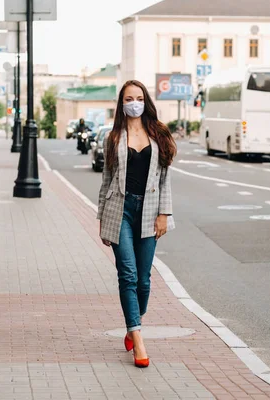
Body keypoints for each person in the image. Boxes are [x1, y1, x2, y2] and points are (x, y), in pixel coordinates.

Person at [97, 80, 177, 368]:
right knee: (127, 274)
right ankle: (137, 336)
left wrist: (164, 214)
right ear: (122, 103)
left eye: (139, 97)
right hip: (120, 211)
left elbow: (165, 177)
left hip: (150, 210)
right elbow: (106, 179)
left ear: (145, 101)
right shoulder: (114, 136)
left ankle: (134, 321)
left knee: (143, 281)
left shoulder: (159, 133)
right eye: (129, 98)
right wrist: (102, 218)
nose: (134, 103)